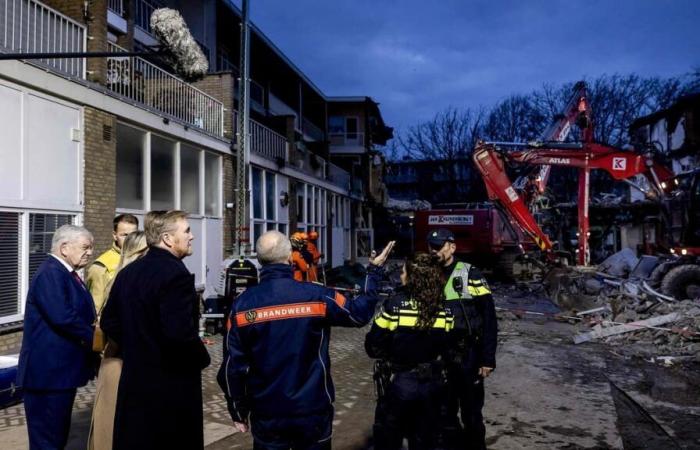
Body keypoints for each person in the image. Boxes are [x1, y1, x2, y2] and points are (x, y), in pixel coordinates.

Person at [218, 230, 395, 450]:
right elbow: (358, 314)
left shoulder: (242, 305)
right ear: (290, 256)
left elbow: (232, 367)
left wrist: (238, 409)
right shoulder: (317, 295)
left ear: (260, 259)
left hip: (267, 413)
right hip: (312, 410)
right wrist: (374, 271)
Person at [101, 210, 211, 450]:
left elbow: (109, 322)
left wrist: (134, 346)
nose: (192, 237)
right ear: (168, 239)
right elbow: (179, 334)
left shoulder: (128, 272)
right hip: (170, 388)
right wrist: (202, 358)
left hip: (135, 381)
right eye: (187, 231)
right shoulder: (175, 274)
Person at [17, 224, 97, 450]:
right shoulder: (51, 272)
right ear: (64, 247)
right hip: (48, 375)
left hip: (59, 374)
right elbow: (63, 317)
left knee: (57, 436)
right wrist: (98, 340)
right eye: (85, 247)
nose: (90, 252)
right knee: (48, 440)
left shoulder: (65, 273)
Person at [365, 252, 454, 449]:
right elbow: (448, 345)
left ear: (413, 277)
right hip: (433, 384)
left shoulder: (396, 304)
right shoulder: (445, 307)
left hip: (401, 383)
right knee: (426, 439)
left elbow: (373, 344)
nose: (401, 276)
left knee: (388, 437)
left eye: (404, 272)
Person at [427, 229, 497, 450]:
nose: (434, 251)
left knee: (471, 414)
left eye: (438, 247)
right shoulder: (427, 274)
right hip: (439, 357)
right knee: (443, 412)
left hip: (468, 356)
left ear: (452, 247)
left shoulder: (470, 274)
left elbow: (489, 318)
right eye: (431, 246)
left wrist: (487, 358)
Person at [88, 231, 148, 450]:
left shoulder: (124, 279)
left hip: (118, 362)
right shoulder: (122, 281)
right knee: (114, 429)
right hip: (119, 364)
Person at [86, 214, 139, 312]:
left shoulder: (144, 258)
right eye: (125, 235)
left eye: (133, 235)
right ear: (115, 235)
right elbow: (94, 307)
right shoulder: (101, 266)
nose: (130, 240)